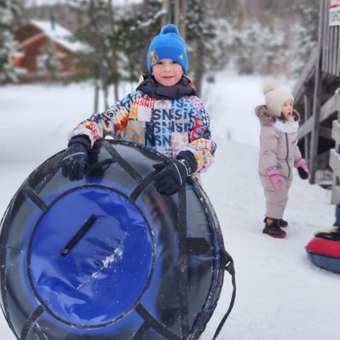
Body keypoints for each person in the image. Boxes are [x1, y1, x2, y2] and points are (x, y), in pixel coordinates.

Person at [61, 24, 216, 195]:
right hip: (137, 194)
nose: (167, 69)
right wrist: (80, 141)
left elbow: (205, 145)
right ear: (151, 66)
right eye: (160, 62)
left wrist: (185, 163)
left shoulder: (194, 105)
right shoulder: (135, 102)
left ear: (183, 65)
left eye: (174, 62)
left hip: (180, 193)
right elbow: (102, 122)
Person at [255, 79, 309, 238]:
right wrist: (272, 172)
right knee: (275, 196)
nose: (289, 108)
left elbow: (294, 146)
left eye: (290, 104)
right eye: (284, 105)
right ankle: (270, 223)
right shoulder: (270, 128)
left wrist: (299, 163)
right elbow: (268, 153)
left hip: (285, 170)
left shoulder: (289, 125)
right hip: (271, 170)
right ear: (275, 107)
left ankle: (276, 217)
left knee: (282, 195)